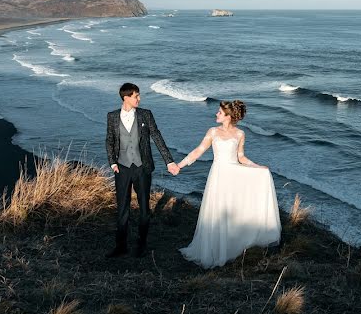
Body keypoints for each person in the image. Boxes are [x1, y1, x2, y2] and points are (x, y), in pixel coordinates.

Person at [178, 100, 281, 268]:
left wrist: (257, 167)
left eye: (219, 112)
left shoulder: (240, 134)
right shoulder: (213, 131)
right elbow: (198, 151)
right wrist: (180, 165)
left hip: (233, 174)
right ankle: (216, 250)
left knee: (233, 209)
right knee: (218, 210)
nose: (216, 114)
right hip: (218, 174)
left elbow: (241, 157)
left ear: (228, 116)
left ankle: (231, 246)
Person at [105, 82, 179, 258]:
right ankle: (121, 246)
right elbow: (109, 140)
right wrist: (112, 163)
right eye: (136, 95)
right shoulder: (112, 116)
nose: (139, 98)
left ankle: (141, 244)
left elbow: (157, 137)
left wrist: (169, 161)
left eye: (138, 95)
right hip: (121, 168)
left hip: (142, 168)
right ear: (126, 97)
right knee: (122, 209)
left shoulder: (146, 114)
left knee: (144, 209)